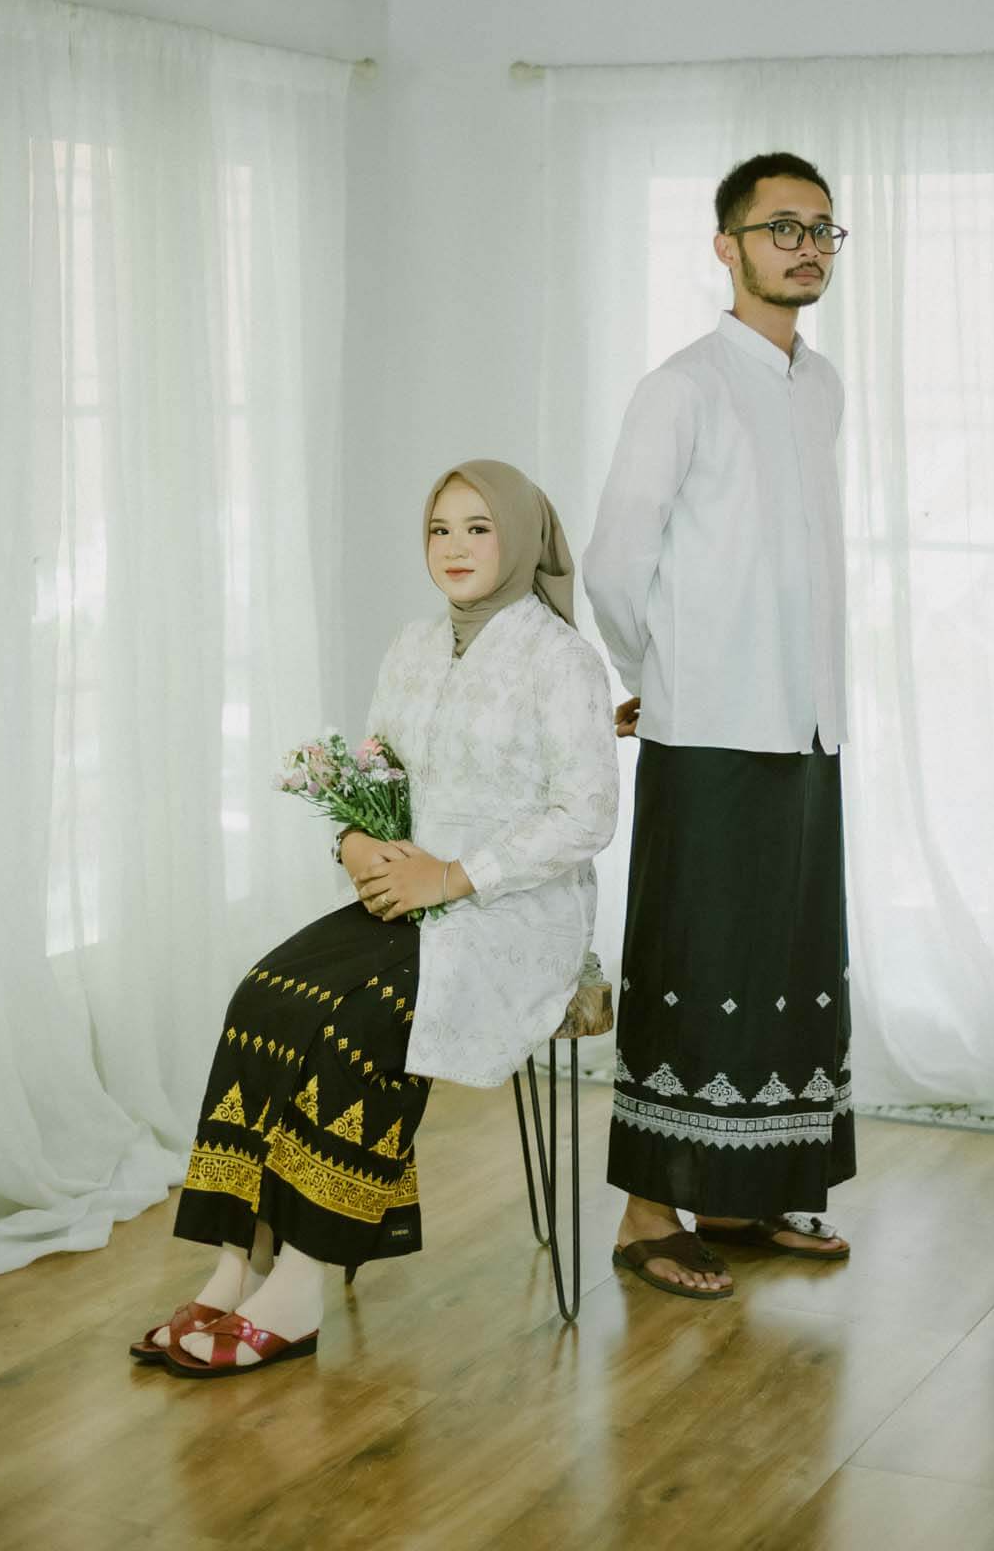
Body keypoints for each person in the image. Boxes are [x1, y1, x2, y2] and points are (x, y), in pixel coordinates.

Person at [131, 460, 618, 1376]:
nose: (455, 548)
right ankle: (238, 1262)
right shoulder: (412, 645)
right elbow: (376, 776)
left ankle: (300, 1283)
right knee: (264, 994)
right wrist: (355, 845)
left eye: (478, 528)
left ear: (522, 539)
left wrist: (455, 876)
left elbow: (587, 815)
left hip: (513, 916)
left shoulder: (562, 660)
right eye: (439, 529)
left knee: (359, 1021)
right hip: (403, 892)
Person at [583, 151, 855, 1301]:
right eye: (779, 226)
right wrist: (658, 675)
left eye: (821, 229)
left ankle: (740, 1195)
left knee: (781, 963)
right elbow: (612, 562)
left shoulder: (819, 383)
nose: (804, 246)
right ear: (725, 245)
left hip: (805, 725)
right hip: (705, 730)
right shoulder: (681, 387)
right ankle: (648, 1215)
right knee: (694, 962)